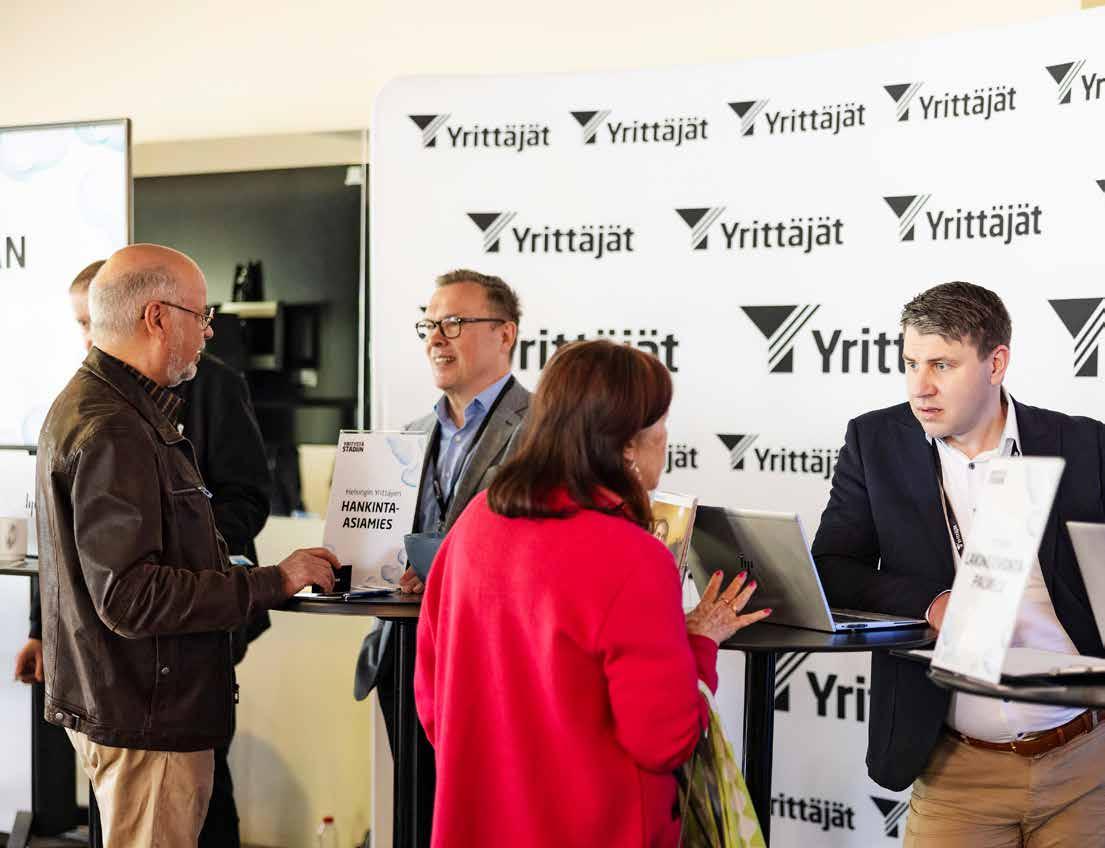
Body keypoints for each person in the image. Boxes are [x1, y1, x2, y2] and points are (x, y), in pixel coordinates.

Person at [35, 243, 341, 847]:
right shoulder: (115, 426)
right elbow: (131, 596)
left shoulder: (110, 407)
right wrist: (274, 580)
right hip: (146, 711)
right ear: (156, 317)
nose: (208, 332)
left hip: (137, 700)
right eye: (201, 316)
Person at [414, 340, 770, 847]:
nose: (666, 439)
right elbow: (663, 740)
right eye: (660, 425)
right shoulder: (634, 557)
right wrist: (696, 645)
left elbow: (434, 705)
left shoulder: (474, 524)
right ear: (627, 447)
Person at [811, 281, 1105, 846]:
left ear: (996, 363)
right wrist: (932, 603)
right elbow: (832, 567)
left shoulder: (1083, 443)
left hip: (1085, 764)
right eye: (910, 363)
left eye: (942, 365)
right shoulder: (875, 442)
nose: (919, 387)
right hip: (954, 770)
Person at [353, 269, 531, 751]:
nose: (435, 338)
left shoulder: (545, 430)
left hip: (492, 663)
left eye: (453, 323)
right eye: (428, 325)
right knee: (413, 799)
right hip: (404, 655)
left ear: (505, 334)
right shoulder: (409, 435)